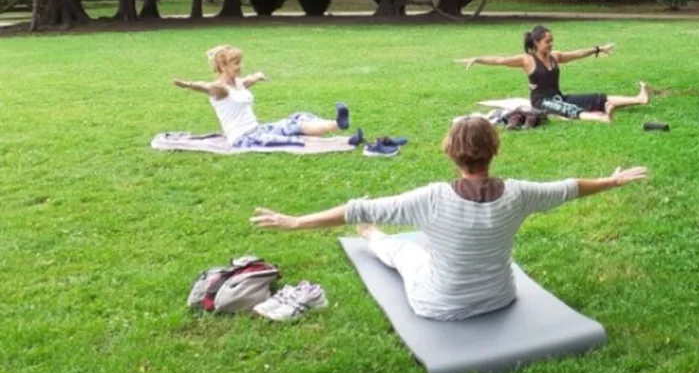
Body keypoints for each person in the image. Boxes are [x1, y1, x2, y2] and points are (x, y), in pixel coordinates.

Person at [250, 115, 648, 320]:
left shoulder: (431, 199)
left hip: (437, 304)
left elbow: (357, 209)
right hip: (499, 297)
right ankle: (376, 237)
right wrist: (611, 182)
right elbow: (570, 186)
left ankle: (372, 238)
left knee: (404, 252)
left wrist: (295, 222)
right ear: (495, 151)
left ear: (449, 153)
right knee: (419, 251)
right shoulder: (520, 194)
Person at [455, 25, 650, 123]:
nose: (551, 44)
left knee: (596, 97)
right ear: (536, 43)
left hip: (558, 96)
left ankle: (639, 99)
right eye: (547, 41)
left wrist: (598, 49)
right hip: (541, 102)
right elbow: (500, 60)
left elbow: (576, 54)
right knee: (566, 108)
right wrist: (477, 58)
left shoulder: (555, 56)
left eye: (551, 41)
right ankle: (602, 118)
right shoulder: (527, 60)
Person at [173, 44, 354, 148]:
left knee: (295, 122)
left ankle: (337, 124)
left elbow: (249, 79)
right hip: (242, 138)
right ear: (222, 66)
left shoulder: (238, 83)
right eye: (236, 63)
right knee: (293, 141)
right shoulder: (220, 89)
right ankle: (346, 141)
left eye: (239, 62)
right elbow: (204, 86)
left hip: (257, 129)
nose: (240, 66)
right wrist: (187, 84)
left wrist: (258, 76)